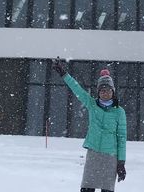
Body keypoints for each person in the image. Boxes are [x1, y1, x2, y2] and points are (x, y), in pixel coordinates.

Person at [52, 58, 127, 192]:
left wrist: (121, 163)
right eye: (102, 90)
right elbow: (77, 89)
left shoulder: (119, 112)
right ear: (98, 92)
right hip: (93, 154)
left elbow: (121, 138)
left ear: (113, 92)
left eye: (108, 90)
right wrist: (63, 73)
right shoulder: (92, 105)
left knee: (107, 189)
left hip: (111, 157)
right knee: (87, 188)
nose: (105, 93)